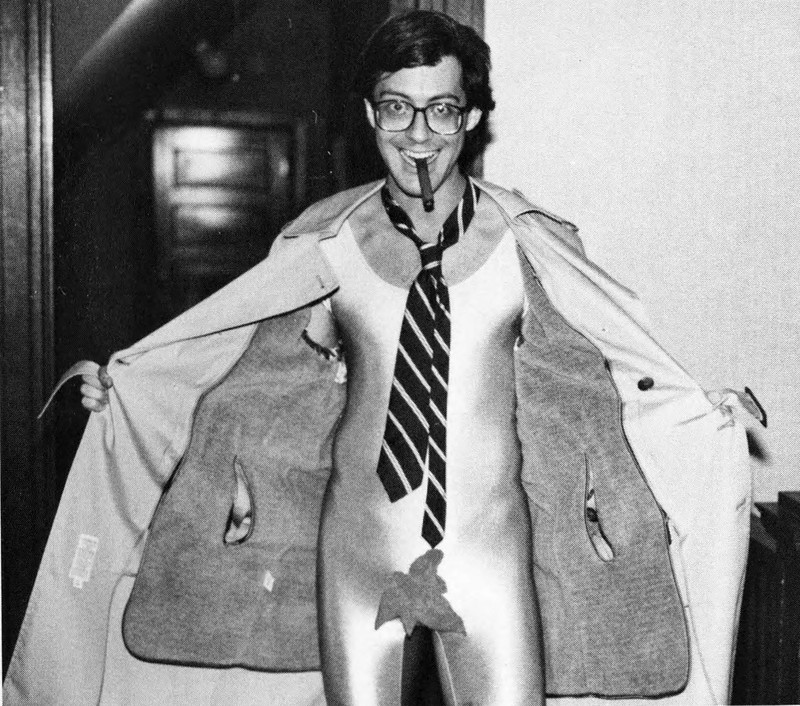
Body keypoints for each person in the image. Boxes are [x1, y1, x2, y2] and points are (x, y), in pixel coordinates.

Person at [5, 10, 756, 706]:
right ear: (370, 115)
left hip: (492, 555)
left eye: (442, 109)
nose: (419, 134)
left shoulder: (529, 245)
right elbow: (237, 364)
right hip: (357, 553)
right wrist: (134, 391)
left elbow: (610, 370)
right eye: (397, 108)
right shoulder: (325, 242)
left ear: (473, 117)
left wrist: (697, 416)